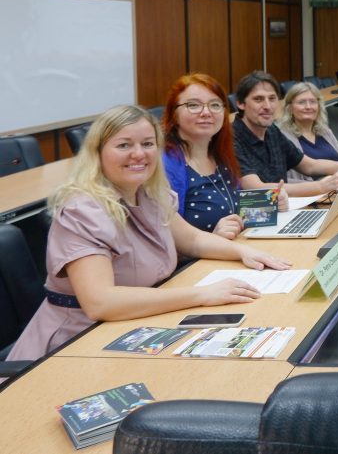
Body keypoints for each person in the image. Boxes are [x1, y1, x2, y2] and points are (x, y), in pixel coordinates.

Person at [7, 105, 290, 362]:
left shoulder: (149, 194)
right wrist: (201, 295)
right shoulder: (83, 210)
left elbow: (191, 239)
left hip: (134, 326)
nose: (139, 154)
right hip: (76, 344)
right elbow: (100, 302)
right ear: (97, 153)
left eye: (147, 144)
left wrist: (245, 252)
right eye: (124, 145)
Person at [162, 72, 265, 239]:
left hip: (234, 249)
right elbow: (162, 238)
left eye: (215, 105)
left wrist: (272, 205)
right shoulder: (165, 165)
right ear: (174, 114)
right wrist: (214, 237)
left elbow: (236, 211)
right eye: (193, 105)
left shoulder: (221, 154)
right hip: (194, 263)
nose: (206, 112)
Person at [231, 71, 338, 197]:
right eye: (258, 99)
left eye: (272, 98)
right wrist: (321, 186)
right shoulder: (232, 138)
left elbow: (310, 166)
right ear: (240, 103)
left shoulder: (272, 131)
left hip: (286, 208)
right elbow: (257, 188)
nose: (267, 106)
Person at [278, 82, 338, 182]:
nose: (308, 107)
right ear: (290, 108)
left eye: (313, 102)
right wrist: (320, 186)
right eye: (301, 102)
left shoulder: (325, 131)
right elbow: (283, 180)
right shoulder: (282, 138)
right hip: (312, 194)